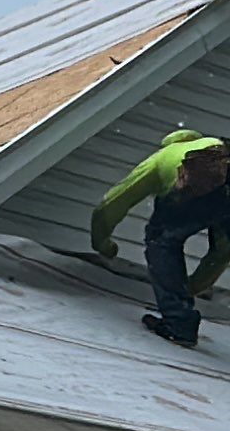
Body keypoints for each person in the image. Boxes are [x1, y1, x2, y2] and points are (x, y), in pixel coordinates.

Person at [90, 129, 230, 347]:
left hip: (198, 171)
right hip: (223, 173)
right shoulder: (214, 144)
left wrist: (103, 243)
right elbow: (223, 250)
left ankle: (179, 324)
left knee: (162, 241)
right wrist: (193, 286)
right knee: (224, 239)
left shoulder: (161, 158)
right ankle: (180, 315)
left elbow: (112, 203)